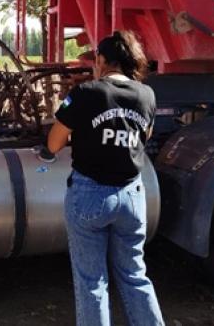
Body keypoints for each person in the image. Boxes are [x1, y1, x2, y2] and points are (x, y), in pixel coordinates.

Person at [47, 30, 164, 326]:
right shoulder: (147, 95)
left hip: (90, 195)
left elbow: (54, 144)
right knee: (135, 276)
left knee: (92, 283)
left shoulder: (86, 93)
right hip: (132, 197)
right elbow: (143, 136)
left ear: (100, 60)